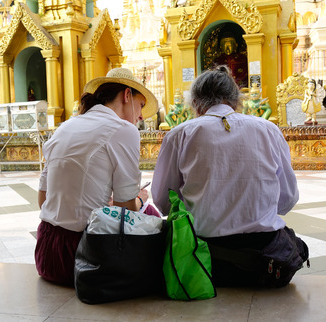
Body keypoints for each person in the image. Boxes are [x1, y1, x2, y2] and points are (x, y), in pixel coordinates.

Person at [152, 66, 308, 287]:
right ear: (236, 101)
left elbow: (163, 201)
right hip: (264, 255)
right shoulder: (269, 130)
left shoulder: (180, 134)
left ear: (195, 103)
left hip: (202, 258)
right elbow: (288, 199)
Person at [35, 68, 158, 286]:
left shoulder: (65, 127)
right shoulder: (123, 130)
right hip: (85, 257)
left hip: (47, 253)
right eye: (140, 105)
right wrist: (140, 198)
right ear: (126, 95)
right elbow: (126, 208)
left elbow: (43, 200)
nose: (140, 116)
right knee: (150, 212)